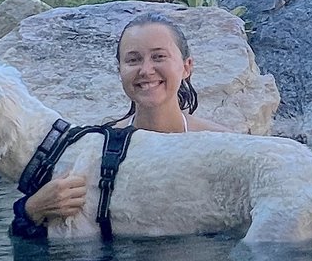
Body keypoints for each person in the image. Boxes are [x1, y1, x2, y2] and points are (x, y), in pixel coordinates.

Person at [15, 14, 219, 234]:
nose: (146, 70)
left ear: (186, 67)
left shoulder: (219, 143)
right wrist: (31, 210)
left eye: (159, 57)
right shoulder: (99, 148)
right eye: (133, 60)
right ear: (119, 70)